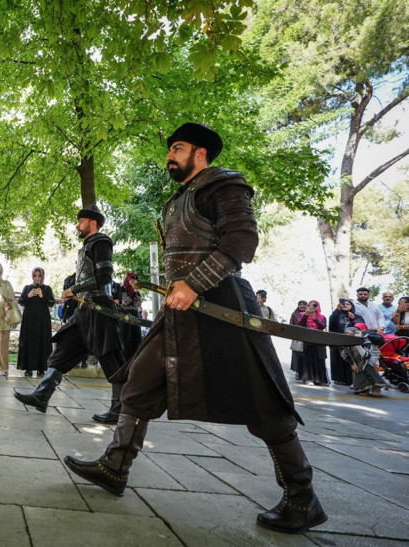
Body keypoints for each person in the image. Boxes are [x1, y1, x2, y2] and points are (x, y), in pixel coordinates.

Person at [63, 123, 326, 534]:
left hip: (224, 307)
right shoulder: (181, 196)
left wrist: (194, 284)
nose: (170, 155)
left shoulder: (225, 185)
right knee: (139, 381)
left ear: (200, 153)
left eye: (178, 148)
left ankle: (302, 497)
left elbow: (241, 242)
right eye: (170, 149)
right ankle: (115, 467)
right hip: (182, 307)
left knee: (265, 405)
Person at [14, 204, 125, 423]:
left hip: (99, 309)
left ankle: (119, 409)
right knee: (63, 351)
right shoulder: (87, 246)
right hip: (83, 311)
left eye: (81, 222)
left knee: (110, 357)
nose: (77, 226)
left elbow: (104, 276)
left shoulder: (101, 242)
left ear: (93, 222)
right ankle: (41, 396)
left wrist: (73, 289)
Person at [17, 267, 55, 377]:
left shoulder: (47, 288)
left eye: (39, 276)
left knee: (42, 341)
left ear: (42, 277)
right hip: (29, 320)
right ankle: (28, 368)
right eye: (35, 276)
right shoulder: (27, 288)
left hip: (42, 321)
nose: (37, 278)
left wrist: (42, 295)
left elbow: (51, 302)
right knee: (29, 341)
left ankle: (41, 368)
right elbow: (21, 301)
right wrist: (28, 296)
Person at [328, 299, 362, 386]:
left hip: (351, 342)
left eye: (348, 304)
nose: (346, 305)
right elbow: (331, 323)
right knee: (337, 359)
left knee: (350, 359)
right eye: (344, 304)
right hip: (337, 341)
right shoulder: (336, 315)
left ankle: (351, 380)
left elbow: (361, 328)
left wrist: (353, 319)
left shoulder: (357, 316)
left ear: (352, 306)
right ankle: (339, 379)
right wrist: (337, 310)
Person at [114, 273, 143, 362]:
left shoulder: (136, 291)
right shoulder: (123, 289)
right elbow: (125, 303)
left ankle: (136, 359)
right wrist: (134, 293)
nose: (133, 282)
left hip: (135, 316)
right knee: (126, 338)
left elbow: (138, 305)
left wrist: (135, 293)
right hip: (125, 317)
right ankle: (125, 361)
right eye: (132, 280)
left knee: (136, 337)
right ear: (128, 279)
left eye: (135, 280)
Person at [297, 301, 328, 386]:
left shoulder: (322, 317)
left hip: (319, 341)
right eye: (310, 305)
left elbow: (322, 327)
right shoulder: (302, 315)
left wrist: (315, 319)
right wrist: (306, 315)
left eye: (315, 305)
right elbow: (301, 325)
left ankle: (320, 379)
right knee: (308, 360)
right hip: (307, 341)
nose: (312, 307)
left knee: (319, 360)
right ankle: (308, 378)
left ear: (318, 307)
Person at [289, 300, 307, 379]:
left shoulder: (309, 314)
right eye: (300, 305)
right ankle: (297, 372)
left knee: (305, 357)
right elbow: (291, 325)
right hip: (297, 338)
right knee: (297, 356)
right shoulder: (294, 314)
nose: (302, 306)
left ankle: (304, 373)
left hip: (306, 338)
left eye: (304, 305)